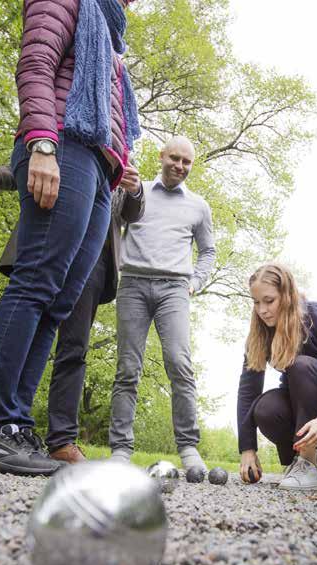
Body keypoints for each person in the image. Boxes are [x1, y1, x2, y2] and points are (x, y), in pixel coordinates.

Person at [0, 0, 140, 475]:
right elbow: (37, 63)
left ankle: (15, 426)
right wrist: (42, 142)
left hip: (102, 168)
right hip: (62, 144)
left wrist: (119, 159)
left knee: (58, 302)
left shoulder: (113, 37)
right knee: (35, 283)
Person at [0, 150, 145, 465]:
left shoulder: (117, 167)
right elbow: (30, 172)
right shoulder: (73, 143)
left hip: (93, 260)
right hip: (54, 238)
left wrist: (133, 189)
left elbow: (132, 214)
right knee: (27, 310)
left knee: (71, 346)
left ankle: (58, 439)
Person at [107, 136, 215, 473]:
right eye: (174, 158)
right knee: (127, 368)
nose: (179, 166)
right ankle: (120, 450)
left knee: (179, 364)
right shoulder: (135, 191)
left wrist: (194, 283)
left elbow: (208, 251)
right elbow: (110, 222)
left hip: (174, 290)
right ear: (161, 156)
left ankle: (188, 448)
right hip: (134, 285)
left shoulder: (198, 206)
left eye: (186, 162)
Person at [237, 264, 317, 491]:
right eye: (256, 302)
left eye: (269, 301)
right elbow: (248, 393)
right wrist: (247, 449)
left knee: (300, 365)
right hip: (300, 402)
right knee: (265, 408)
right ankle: (296, 464)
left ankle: (308, 464)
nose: (262, 310)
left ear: (287, 295)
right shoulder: (260, 334)